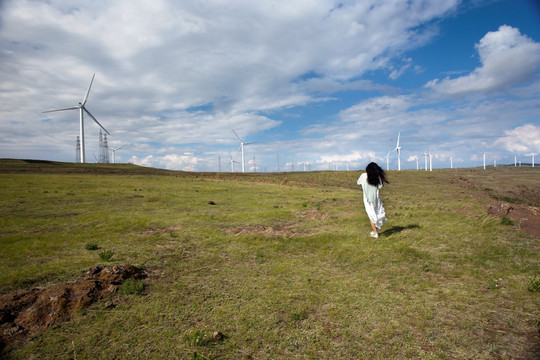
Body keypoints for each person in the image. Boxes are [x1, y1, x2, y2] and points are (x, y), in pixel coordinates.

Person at [357, 162, 388, 238]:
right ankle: (375, 231)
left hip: (367, 199)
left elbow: (358, 182)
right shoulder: (378, 177)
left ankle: (375, 233)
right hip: (376, 199)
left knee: (372, 216)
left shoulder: (363, 176)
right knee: (377, 214)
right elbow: (380, 187)